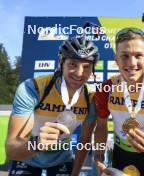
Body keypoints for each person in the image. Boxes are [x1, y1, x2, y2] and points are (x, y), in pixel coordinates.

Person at [72, 27, 144, 176]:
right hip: (120, 154)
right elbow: (101, 126)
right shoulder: (106, 88)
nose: (132, 63)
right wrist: (99, 155)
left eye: (138, 55)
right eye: (125, 56)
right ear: (116, 60)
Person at [5, 36, 99, 175]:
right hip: (27, 157)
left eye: (86, 67)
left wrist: (75, 173)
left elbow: (84, 140)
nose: (80, 73)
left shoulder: (91, 98)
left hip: (62, 160)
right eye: (73, 64)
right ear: (61, 63)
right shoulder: (33, 88)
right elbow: (12, 149)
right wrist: (36, 143)